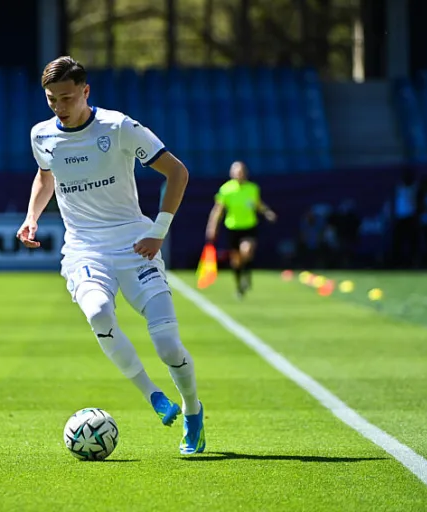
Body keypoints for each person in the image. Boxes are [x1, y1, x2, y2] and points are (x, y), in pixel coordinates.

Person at [16, 56, 204, 455]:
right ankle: (154, 395)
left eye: (67, 98)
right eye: (51, 99)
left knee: (168, 344)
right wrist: (31, 217)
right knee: (99, 312)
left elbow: (178, 172)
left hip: (135, 243)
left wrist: (157, 232)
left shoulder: (118, 127)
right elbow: (46, 176)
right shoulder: (41, 135)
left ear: (86, 91)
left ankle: (193, 410)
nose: (59, 107)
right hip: (84, 248)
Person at [205, 162, 276, 298]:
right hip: (233, 227)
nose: (239, 174)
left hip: (249, 226)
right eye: (237, 172)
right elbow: (218, 210)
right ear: (231, 173)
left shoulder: (252, 188)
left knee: (246, 250)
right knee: (236, 260)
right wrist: (212, 226)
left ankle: (246, 273)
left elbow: (258, 204)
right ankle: (239, 285)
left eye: (241, 172)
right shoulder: (226, 189)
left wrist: (267, 212)